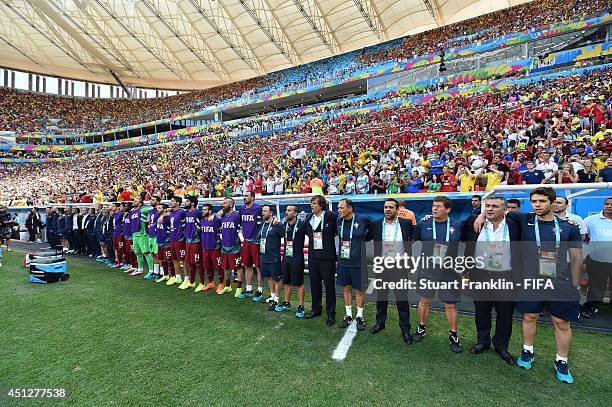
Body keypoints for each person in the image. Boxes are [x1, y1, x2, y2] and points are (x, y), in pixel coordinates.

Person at [475, 187, 582, 383]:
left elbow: (576, 258)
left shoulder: (569, 227)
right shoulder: (525, 220)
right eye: (534, 202)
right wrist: (481, 215)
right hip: (531, 280)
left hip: (561, 282)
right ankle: (527, 352)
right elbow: (497, 210)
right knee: (530, 316)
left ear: (552, 202)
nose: (537, 205)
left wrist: (575, 284)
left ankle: (562, 361)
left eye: (542, 201)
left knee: (561, 322)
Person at [462, 195, 520, 365]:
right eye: (487, 206)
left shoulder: (515, 225)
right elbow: (451, 223)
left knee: (505, 314)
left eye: (495, 206)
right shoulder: (475, 222)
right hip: (480, 274)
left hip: (506, 276)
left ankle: (501, 345)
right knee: (482, 311)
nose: (490, 209)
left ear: (505, 209)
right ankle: (483, 341)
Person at [413, 196, 463, 353]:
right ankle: (421, 327)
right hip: (427, 271)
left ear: (448, 209)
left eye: (439, 206)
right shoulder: (425, 224)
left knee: (450, 304)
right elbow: (411, 240)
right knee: (425, 300)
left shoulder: (457, 225)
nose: (434, 209)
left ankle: (453, 335)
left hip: (450, 272)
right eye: (433, 206)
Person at [368, 199, 415, 344]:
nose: (387, 209)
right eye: (385, 207)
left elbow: (416, 234)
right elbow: (364, 236)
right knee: (381, 296)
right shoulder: (375, 224)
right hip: (382, 265)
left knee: (401, 298)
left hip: (399, 266)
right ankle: (380, 323)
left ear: (397, 209)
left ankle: (405, 329)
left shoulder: (405, 223)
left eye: (390, 207)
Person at [335, 198, 370, 331]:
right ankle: (348, 315)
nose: (339, 210)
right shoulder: (338, 221)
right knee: (346, 289)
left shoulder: (362, 219)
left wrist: (365, 239)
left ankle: (360, 316)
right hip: (343, 262)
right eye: (338, 208)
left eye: (341, 208)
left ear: (350, 208)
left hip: (358, 262)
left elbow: (374, 229)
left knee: (360, 290)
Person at [304, 195, 337, 326]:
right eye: (311, 203)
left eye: (314, 203)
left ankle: (331, 314)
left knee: (329, 286)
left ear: (321, 205)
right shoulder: (308, 217)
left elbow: (336, 232)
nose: (312, 205)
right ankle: (316, 309)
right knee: (314, 284)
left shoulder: (330, 216)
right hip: (313, 257)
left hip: (327, 257)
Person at [580, 197, 612, 318]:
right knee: (596, 284)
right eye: (606, 204)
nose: (609, 206)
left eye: (611, 204)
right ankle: (592, 307)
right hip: (597, 259)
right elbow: (583, 236)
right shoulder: (591, 220)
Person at [277, 204, 307, 317]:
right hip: (286, 257)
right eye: (286, 210)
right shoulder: (284, 225)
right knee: (286, 281)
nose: (286, 212)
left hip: (297, 257)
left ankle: (301, 306)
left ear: (295, 214)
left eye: (289, 210)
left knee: (299, 283)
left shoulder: (302, 225)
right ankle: (286, 302)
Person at [257, 205, 284, 310]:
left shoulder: (276, 224)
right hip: (264, 256)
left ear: (271, 213)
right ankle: (272, 295)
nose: (263, 213)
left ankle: (277, 299)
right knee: (268, 276)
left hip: (274, 257)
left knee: (276, 278)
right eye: (262, 211)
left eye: (265, 211)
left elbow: (283, 234)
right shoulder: (263, 224)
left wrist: (278, 224)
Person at [237, 191, 263, 300]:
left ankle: (260, 289)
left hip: (256, 242)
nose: (244, 197)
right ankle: (248, 288)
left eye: (246, 196)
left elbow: (265, 221)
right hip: (246, 241)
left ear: (253, 198)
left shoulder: (258, 208)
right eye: (244, 195)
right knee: (247, 265)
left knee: (258, 266)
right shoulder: (242, 209)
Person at [218, 197, 242, 295]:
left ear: (231, 205)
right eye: (222, 203)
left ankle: (239, 288)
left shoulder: (237, 215)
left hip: (234, 246)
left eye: (225, 203)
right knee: (225, 267)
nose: (222, 205)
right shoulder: (221, 216)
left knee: (238, 267)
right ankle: (228, 286)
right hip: (224, 245)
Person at [198, 203, 222, 292]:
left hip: (215, 247)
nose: (203, 211)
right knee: (207, 266)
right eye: (202, 209)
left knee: (218, 266)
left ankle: (221, 283)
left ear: (210, 211)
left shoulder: (216, 219)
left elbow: (222, 215)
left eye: (205, 209)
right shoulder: (202, 220)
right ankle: (211, 283)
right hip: (205, 247)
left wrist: (215, 215)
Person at [182, 196, 202, 289]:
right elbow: (183, 224)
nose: (185, 203)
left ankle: (202, 283)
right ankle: (192, 281)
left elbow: (201, 225)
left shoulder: (197, 212)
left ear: (192, 203)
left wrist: (195, 233)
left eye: (187, 201)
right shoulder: (186, 213)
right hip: (188, 240)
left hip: (196, 241)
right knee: (190, 262)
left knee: (198, 262)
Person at [166, 196, 186, 286]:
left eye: (173, 201)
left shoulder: (182, 212)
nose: (171, 203)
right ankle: (178, 277)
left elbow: (185, 225)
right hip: (172, 238)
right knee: (174, 258)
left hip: (179, 239)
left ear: (178, 203)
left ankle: (187, 279)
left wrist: (182, 236)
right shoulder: (171, 212)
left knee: (183, 259)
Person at [155, 204, 174, 283]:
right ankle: (165, 275)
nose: (158, 209)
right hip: (159, 241)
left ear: (165, 209)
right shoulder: (158, 217)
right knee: (162, 259)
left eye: (160, 208)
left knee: (169, 260)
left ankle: (173, 276)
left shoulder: (168, 218)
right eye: (157, 208)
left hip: (166, 241)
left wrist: (168, 212)